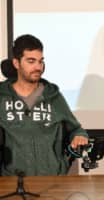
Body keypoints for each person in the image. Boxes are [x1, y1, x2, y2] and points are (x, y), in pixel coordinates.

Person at [0, 34, 88, 176]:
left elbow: (76, 129)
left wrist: (79, 136)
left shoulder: (53, 97)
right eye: (31, 61)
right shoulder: (2, 97)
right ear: (16, 63)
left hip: (51, 182)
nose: (38, 67)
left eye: (40, 61)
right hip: (11, 184)